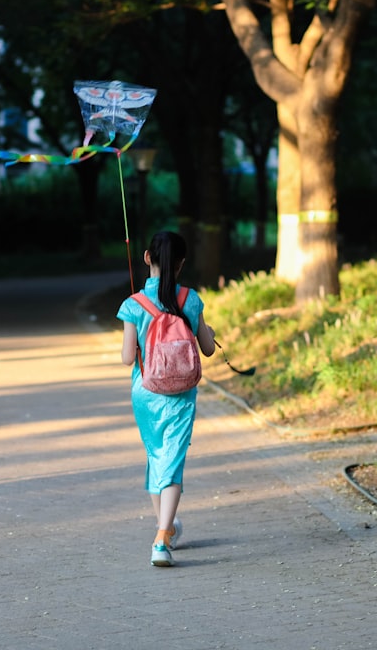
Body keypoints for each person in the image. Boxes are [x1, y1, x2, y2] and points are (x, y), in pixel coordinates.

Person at [117, 231, 216, 567]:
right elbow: (208, 349)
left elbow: (127, 358)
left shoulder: (134, 304)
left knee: (156, 456)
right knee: (172, 461)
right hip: (181, 394)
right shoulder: (190, 299)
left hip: (146, 393)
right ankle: (162, 538)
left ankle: (167, 526)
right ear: (181, 263)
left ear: (147, 258)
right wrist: (208, 332)